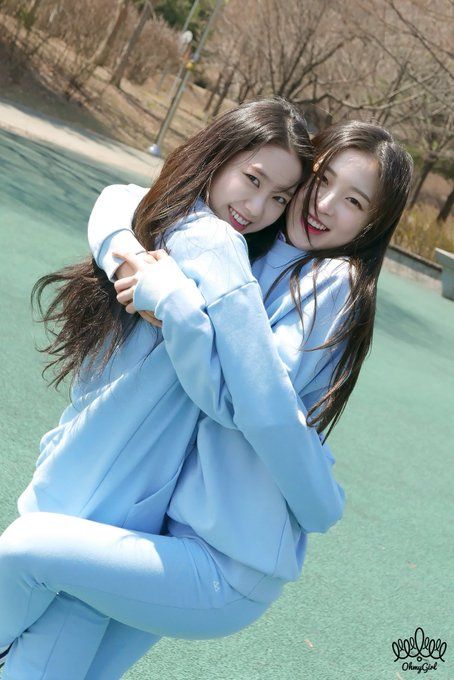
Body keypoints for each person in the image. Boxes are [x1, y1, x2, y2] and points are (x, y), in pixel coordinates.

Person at [0, 116, 413, 679]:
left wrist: (176, 305)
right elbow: (132, 201)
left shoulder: (332, 283)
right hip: (164, 528)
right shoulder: (259, 245)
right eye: (322, 181)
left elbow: (248, 400)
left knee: (27, 551)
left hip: (223, 562)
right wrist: (129, 255)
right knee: (62, 666)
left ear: (374, 225)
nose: (325, 205)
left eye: (355, 201)